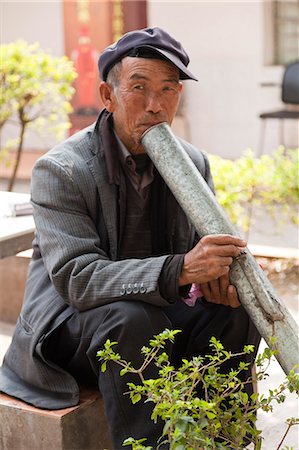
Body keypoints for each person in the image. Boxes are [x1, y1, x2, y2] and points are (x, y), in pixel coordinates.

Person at [0, 27, 260, 449]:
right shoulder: (61, 170)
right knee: (133, 319)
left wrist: (220, 279)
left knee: (234, 314)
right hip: (71, 328)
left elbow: (198, 259)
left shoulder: (192, 163)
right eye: (139, 88)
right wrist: (180, 269)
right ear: (107, 95)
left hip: (154, 317)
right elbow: (78, 280)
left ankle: (223, 441)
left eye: (168, 89)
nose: (155, 105)